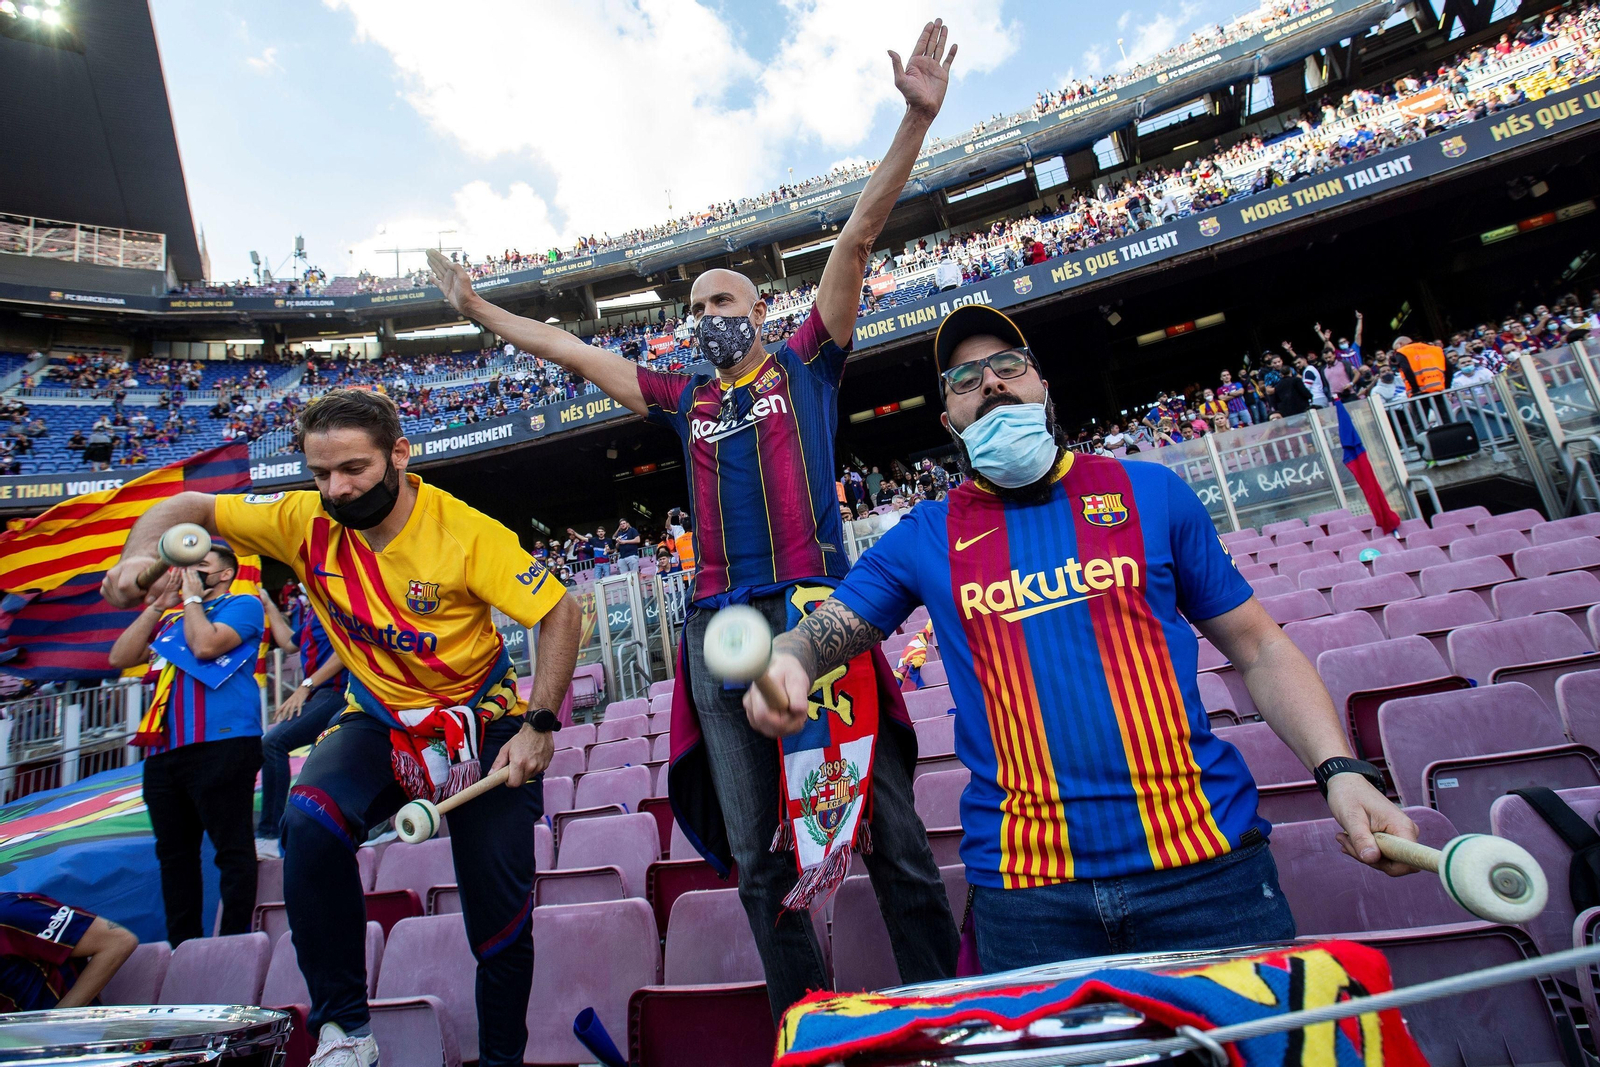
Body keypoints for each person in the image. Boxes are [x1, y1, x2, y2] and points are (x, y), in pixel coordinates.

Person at [426, 19, 962, 1022]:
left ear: (756, 313)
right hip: (719, 634)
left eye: (717, 298)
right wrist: (481, 310)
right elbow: (569, 350)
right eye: (689, 306)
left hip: (821, 618)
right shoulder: (682, 396)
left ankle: (945, 1012)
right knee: (759, 856)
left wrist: (913, 125)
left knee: (891, 836)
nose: (698, 314)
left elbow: (856, 237)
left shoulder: (806, 359)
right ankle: (809, 1024)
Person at [745, 304, 1422, 972]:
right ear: (948, 421)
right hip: (1028, 896)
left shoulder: (1150, 490)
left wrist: (1339, 770)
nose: (992, 382)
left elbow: (1260, 647)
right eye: (966, 378)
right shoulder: (924, 535)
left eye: (1009, 365)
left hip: (1207, 870)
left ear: (1044, 385)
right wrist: (786, 666)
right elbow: (822, 632)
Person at [102, 389, 582, 1067]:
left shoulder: (466, 532)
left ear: (399, 454)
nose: (336, 488)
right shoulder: (301, 520)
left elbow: (561, 612)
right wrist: (136, 552)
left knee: (498, 919)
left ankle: (502, 1058)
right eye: (321, 472)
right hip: (378, 717)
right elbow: (190, 507)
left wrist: (540, 722)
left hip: (483, 726)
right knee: (308, 822)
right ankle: (345, 1032)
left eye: (354, 468)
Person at [107, 542, 264, 946]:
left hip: (223, 744)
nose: (189, 572)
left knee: (231, 849)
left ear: (225, 573)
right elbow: (119, 657)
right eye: (186, 568)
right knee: (174, 857)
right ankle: (184, 947)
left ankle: (232, 944)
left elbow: (206, 646)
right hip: (164, 752)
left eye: (201, 567)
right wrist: (158, 605)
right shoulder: (171, 620)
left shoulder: (241, 605)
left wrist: (192, 598)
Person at [255, 590, 350, 860]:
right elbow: (288, 643)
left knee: (273, 743)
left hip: (338, 691)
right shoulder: (314, 609)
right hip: (323, 692)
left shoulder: (339, 600)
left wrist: (306, 686)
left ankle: (269, 835)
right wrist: (268, 602)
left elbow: (348, 649)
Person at [0, 893, 138, 1010]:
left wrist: (59, 1018)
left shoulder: (9, 913)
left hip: (67, 1034)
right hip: (17, 1036)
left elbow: (118, 941)